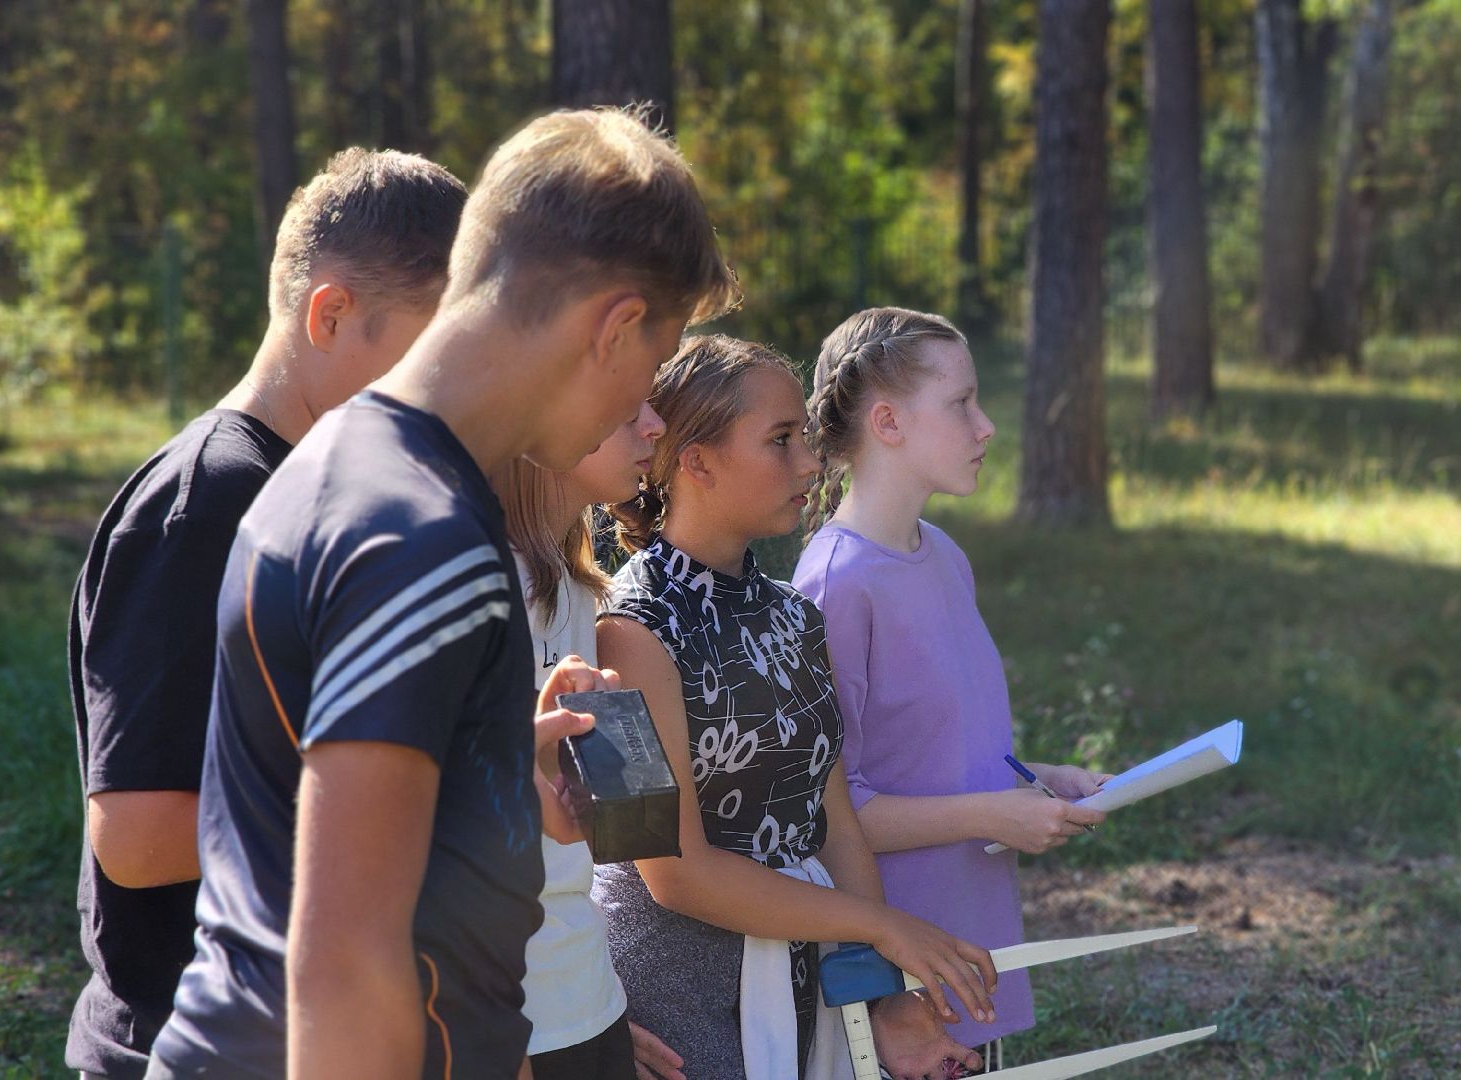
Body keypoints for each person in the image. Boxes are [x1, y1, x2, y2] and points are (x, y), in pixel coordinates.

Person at [146, 107, 739, 1078]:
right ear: (616, 325)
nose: (648, 417)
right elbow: (343, 960)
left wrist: (498, 770)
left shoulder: (352, 462)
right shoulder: (420, 535)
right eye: (654, 367)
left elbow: (319, 811)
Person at [66, 148, 467, 1079]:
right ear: (329, 314)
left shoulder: (322, 485)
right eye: (431, 350)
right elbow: (136, 837)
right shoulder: (205, 505)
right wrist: (409, 791)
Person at [593, 335, 997, 1080]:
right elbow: (668, 872)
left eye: (804, 441)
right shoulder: (621, 631)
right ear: (696, 460)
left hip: (807, 998)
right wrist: (881, 926)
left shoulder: (794, 616)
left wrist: (886, 1000)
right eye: (780, 441)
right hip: (670, 1015)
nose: (811, 464)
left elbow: (836, 822)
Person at [792, 307, 1110, 1065]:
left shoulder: (945, 555)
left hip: (974, 936)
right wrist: (992, 812)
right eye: (962, 403)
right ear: (889, 423)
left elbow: (934, 750)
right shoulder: (836, 586)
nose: (986, 425)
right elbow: (833, 813)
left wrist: (1036, 782)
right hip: (900, 967)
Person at [498, 427, 684, 1080]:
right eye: (625, 404)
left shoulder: (585, 594)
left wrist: (599, 1001)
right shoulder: (483, 589)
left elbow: (633, 821)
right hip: (510, 1020)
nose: (651, 423)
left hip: (585, 1003)